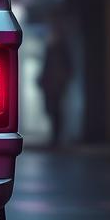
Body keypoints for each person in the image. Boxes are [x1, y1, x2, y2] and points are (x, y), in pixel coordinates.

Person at [39, 16, 73, 149]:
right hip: (50, 83)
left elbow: (68, 67)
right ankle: (55, 137)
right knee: (51, 109)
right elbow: (46, 66)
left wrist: (63, 79)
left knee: (56, 110)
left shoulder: (61, 47)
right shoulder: (51, 47)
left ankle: (56, 137)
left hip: (57, 83)